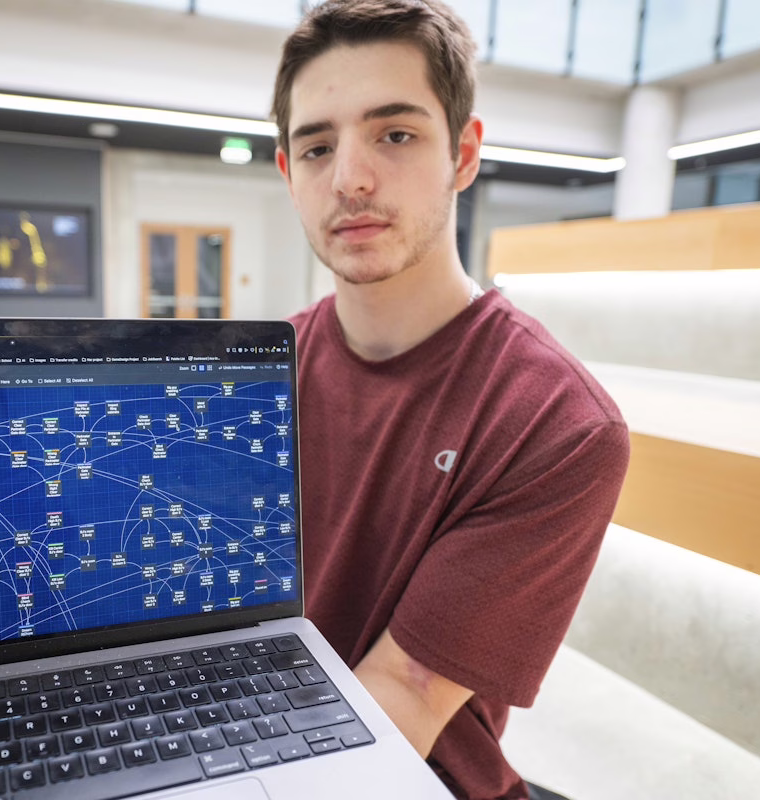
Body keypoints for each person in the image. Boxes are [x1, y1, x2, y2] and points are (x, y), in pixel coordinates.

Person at [270, 2, 631, 798]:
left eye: (395, 135)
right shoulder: (257, 376)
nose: (351, 177)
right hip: (239, 731)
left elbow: (406, 694)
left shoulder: (557, 421)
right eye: (318, 145)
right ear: (289, 174)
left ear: (463, 155)